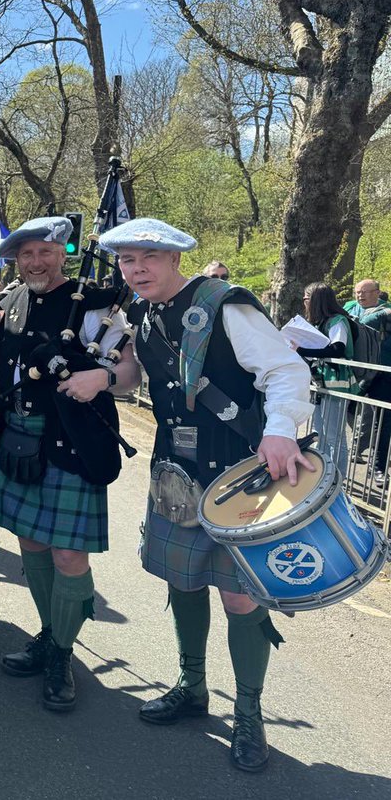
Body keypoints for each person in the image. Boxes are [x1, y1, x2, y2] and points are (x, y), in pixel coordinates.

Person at [100, 217, 313, 773]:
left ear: (175, 258)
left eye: (148, 256)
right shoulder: (141, 318)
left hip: (242, 476)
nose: (136, 268)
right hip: (177, 474)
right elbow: (141, 382)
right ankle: (191, 687)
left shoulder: (225, 305)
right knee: (182, 581)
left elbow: (287, 370)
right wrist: (114, 373)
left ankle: (248, 713)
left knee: (240, 598)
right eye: (127, 260)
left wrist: (280, 430)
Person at [0, 215, 140, 712]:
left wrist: (103, 380)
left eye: (44, 251)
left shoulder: (94, 304)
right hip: (20, 439)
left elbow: (131, 371)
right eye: (24, 254)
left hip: (72, 439)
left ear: (62, 251)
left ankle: (62, 654)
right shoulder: (11, 301)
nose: (35, 261)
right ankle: (49, 633)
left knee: (70, 556)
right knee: (32, 543)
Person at [297, 282, 358, 475]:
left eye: (307, 298)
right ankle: (323, 476)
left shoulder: (338, 321)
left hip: (336, 385)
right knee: (320, 433)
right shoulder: (318, 323)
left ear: (315, 300)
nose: (304, 302)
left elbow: (337, 349)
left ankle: (337, 479)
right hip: (320, 384)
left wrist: (301, 349)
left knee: (335, 437)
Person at [345, 279, 391, 483]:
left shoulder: (386, 311)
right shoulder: (352, 310)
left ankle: (378, 466)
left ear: (377, 293)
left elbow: (363, 326)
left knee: (383, 421)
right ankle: (347, 454)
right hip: (357, 373)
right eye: (357, 292)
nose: (360, 296)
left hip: (382, 375)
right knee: (346, 409)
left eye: (364, 292)